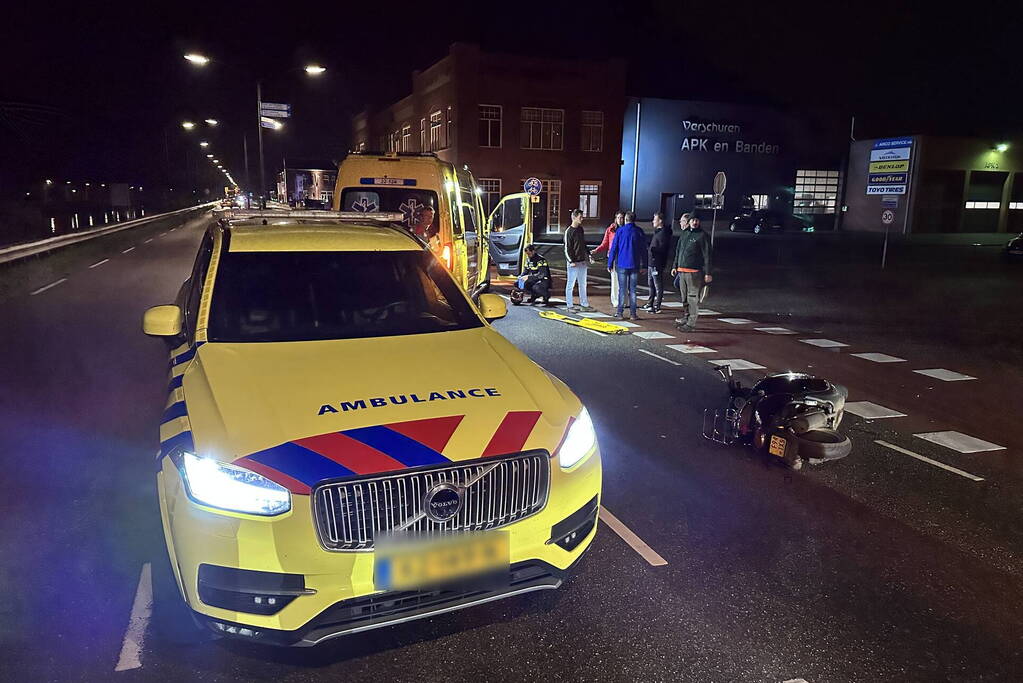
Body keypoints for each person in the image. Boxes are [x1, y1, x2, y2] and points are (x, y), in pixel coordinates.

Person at [671, 214, 713, 331]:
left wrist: (707, 272)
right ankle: (686, 316)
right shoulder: (684, 234)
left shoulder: (702, 236)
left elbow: (707, 255)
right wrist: (675, 266)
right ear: (689, 222)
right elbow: (678, 251)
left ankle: (691, 323)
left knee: (692, 298)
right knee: (684, 298)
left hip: (694, 272)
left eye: (697, 220)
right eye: (693, 220)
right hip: (682, 271)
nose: (695, 222)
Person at [607, 211, 647, 320]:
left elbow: (614, 248)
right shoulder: (639, 232)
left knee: (622, 289)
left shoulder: (620, 231)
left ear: (625, 219)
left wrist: (610, 263)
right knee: (633, 290)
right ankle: (633, 314)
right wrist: (645, 265)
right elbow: (644, 249)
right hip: (634, 264)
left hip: (622, 264)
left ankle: (620, 312)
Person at [591, 210, 624, 307]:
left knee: (623, 279)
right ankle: (615, 301)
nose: (620, 220)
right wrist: (597, 250)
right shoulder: (611, 230)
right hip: (613, 256)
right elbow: (605, 243)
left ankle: (623, 300)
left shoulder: (626, 229)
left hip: (623, 257)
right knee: (614, 279)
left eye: (622, 218)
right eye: (618, 218)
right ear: (615, 218)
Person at [563, 209, 593, 313]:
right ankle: (569, 305)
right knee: (570, 284)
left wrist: (588, 255)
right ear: (574, 217)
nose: (582, 219)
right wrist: (571, 261)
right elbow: (567, 248)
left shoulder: (580, 229)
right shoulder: (569, 231)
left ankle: (584, 304)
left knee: (583, 283)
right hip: (574, 262)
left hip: (581, 261)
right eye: (580, 217)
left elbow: (583, 244)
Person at [643, 211, 673, 313]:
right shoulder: (658, 232)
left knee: (657, 285)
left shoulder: (664, 233)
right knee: (651, 283)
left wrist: (652, 250)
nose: (652, 221)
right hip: (652, 262)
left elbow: (663, 249)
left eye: (654, 219)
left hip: (657, 263)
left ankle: (657, 305)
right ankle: (650, 303)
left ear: (660, 221)